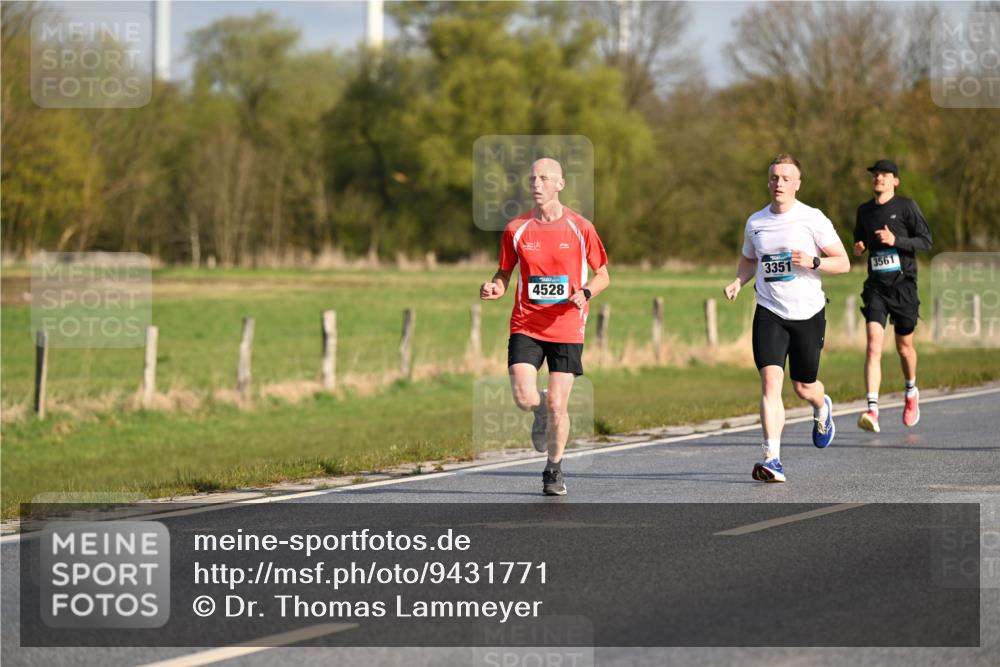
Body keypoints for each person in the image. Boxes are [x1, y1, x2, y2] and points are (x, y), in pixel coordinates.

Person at [480, 157, 609, 496]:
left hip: (567, 327)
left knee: (558, 405)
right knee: (524, 397)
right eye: (533, 179)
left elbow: (604, 275)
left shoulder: (581, 228)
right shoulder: (516, 228)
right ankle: (538, 410)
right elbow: (504, 272)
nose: (536, 184)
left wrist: (585, 292)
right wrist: (496, 286)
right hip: (526, 323)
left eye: (544, 178)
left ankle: (553, 469)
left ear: (560, 184)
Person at [724, 154, 850, 483]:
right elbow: (749, 260)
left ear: (797, 183)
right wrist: (739, 280)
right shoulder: (756, 223)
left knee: (803, 386)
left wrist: (814, 261)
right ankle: (772, 459)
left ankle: (822, 407)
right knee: (770, 383)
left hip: (808, 313)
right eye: (774, 177)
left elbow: (844, 262)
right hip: (770, 311)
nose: (779, 183)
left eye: (785, 178)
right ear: (768, 182)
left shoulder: (813, 219)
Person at [853, 159, 933, 432]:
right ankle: (872, 411)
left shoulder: (907, 207)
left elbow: (926, 241)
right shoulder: (864, 211)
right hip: (876, 286)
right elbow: (859, 240)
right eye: (876, 174)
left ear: (895, 181)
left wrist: (896, 241)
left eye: (885, 175)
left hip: (904, 286)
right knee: (874, 344)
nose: (879, 178)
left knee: (903, 348)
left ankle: (911, 391)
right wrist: (860, 246)